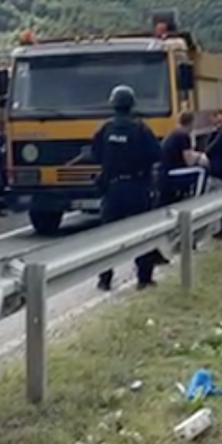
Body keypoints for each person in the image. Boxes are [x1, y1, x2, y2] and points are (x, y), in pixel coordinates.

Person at [84, 85, 163, 292]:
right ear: (131, 105)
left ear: (113, 104)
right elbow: (156, 154)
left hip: (113, 189)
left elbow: (95, 156)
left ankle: (105, 278)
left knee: (108, 236)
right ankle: (144, 279)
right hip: (137, 188)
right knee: (142, 234)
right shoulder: (141, 129)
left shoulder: (105, 129)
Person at [159, 111, 209, 206]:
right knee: (201, 171)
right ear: (191, 123)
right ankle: (198, 200)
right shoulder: (183, 135)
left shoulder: (174, 133)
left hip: (165, 170)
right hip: (172, 171)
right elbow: (189, 161)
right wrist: (200, 156)